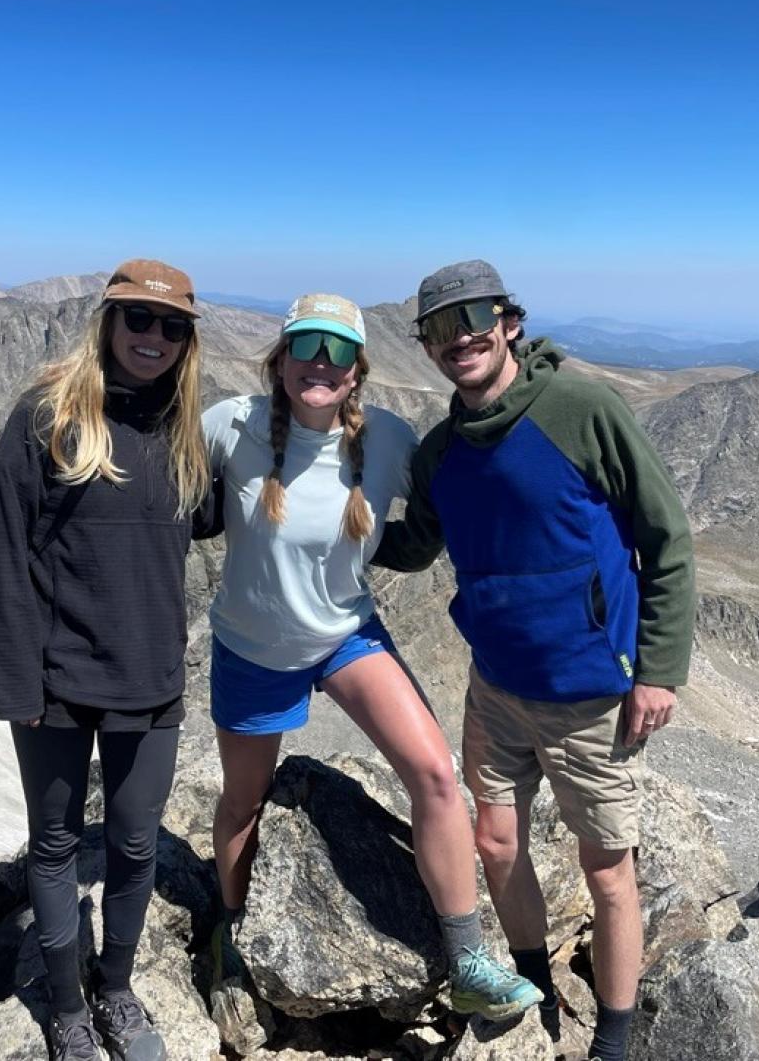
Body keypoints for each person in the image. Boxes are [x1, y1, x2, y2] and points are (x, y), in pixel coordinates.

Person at [372, 260, 695, 1061]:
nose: (460, 339)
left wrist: (659, 667)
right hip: (495, 688)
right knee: (497, 844)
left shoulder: (581, 408)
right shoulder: (443, 449)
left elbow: (667, 537)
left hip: (591, 695)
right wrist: (331, 531)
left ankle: (613, 1039)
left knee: (608, 869)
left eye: (474, 317)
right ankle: (533, 987)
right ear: (427, 347)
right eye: (440, 329)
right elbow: (418, 546)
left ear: (509, 321)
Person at [201, 293, 542, 1023]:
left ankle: (468, 959)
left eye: (337, 351)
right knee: (242, 801)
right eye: (306, 345)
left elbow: (455, 496)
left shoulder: (387, 440)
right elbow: (166, 496)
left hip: (346, 635)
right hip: (253, 648)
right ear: (281, 360)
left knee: (435, 775)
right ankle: (231, 926)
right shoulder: (231, 424)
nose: (319, 362)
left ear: (356, 372)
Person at [0, 259, 217, 1061]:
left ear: (187, 341)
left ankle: (116, 989)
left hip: (151, 681)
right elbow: (4, 553)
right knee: (52, 845)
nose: (153, 338)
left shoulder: (185, 432)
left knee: (136, 843)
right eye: (138, 320)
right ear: (108, 322)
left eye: (172, 326)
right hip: (54, 681)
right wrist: (17, 683)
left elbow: (211, 516)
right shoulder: (46, 416)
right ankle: (67, 1006)